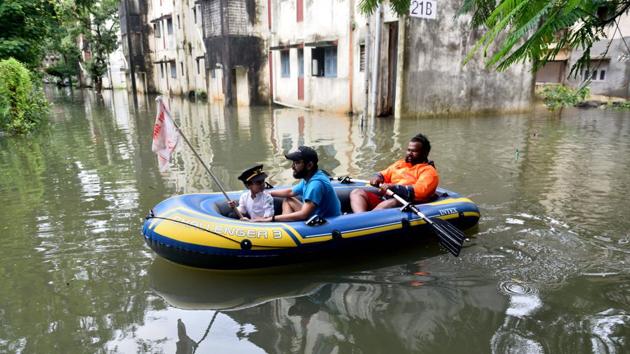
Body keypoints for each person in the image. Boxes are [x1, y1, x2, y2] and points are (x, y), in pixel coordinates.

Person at [350, 133, 439, 212]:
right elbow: (384, 174)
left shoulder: (428, 171)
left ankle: (366, 221)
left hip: (405, 202)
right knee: (357, 193)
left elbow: (421, 191)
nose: (409, 153)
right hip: (387, 197)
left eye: (414, 151)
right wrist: (377, 177)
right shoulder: (400, 164)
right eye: (408, 150)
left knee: (389, 203)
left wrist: (394, 187)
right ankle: (360, 217)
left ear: (424, 153)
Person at [255, 146, 341, 222]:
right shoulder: (311, 176)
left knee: (289, 204)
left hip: (327, 221)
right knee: (288, 200)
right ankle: (286, 227)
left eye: (297, 163)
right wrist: (266, 193)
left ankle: (286, 231)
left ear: (309, 165)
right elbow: (290, 192)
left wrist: (271, 219)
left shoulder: (315, 185)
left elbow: (304, 214)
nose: (292, 167)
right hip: (316, 214)